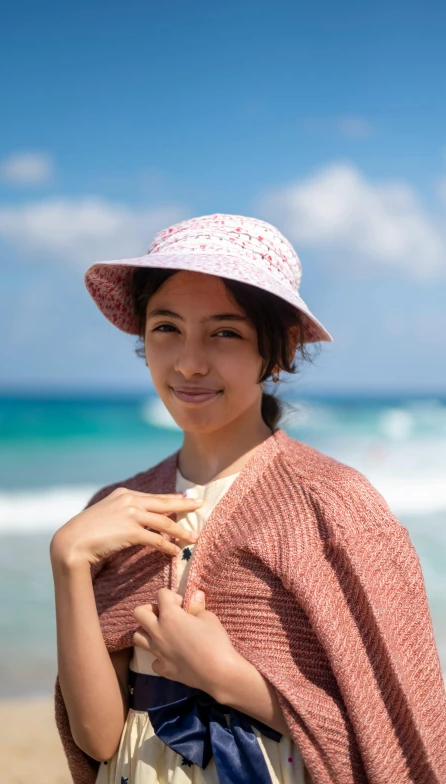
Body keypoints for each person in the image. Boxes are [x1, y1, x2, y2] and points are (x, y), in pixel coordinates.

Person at [51, 214, 446, 784]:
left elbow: (393, 729)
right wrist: (67, 560)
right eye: (166, 327)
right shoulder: (112, 510)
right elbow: (100, 738)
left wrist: (227, 677)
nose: (189, 361)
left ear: (279, 349)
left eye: (225, 332)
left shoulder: (333, 504)